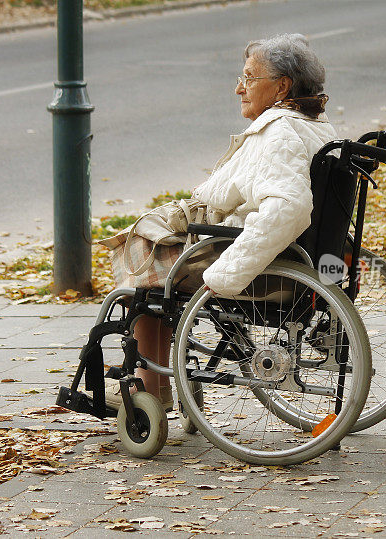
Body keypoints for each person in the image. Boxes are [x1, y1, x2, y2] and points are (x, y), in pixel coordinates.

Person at [105, 33, 338, 411]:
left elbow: (288, 208)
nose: (238, 88)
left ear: (281, 86)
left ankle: (150, 389)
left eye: (248, 78)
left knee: (143, 255)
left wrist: (226, 274)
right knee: (154, 235)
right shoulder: (311, 125)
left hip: (256, 260)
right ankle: (159, 380)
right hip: (293, 254)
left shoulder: (279, 134)